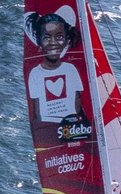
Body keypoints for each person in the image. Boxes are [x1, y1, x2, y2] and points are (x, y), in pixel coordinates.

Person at [28, 8, 89, 138]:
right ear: (39, 41)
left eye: (59, 37)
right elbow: (36, 112)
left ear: (66, 40)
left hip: (72, 128)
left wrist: (87, 130)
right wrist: (40, 136)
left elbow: (78, 105)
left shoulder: (70, 69)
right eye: (46, 37)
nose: (53, 43)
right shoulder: (35, 74)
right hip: (48, 129)